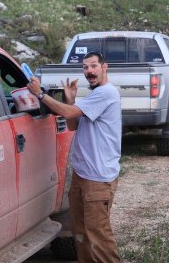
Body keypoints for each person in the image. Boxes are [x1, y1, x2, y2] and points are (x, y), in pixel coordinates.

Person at [27, 51, 122, 263]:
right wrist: (70, 99)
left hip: (97, 179)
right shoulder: (95, 95)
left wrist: (40, 94)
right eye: (86, 67)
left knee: (99, 236)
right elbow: (73, 124)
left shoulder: (106, 93)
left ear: (104, 67)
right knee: (81, 234)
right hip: (83, 176)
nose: (89, 71)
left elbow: (69, 114)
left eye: (93, 66)